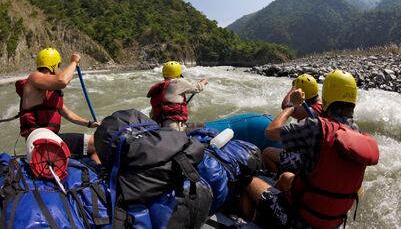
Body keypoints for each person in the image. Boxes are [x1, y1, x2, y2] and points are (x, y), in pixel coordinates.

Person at [240, 70, 379, 228]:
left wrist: (293, 106)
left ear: (327, 96)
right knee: (285, 177)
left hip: (302, 220)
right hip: (332, 222)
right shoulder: (359, 136)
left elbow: (271, 132)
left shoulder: (316, 128)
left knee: (247, 181)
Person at [15, 48, 100, 162]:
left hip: (49, 141)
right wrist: (74, 62)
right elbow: (63, 81)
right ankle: (102, 176)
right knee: (95, 144)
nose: (59, 69)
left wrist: (89, 124)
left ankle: (96, 175)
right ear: (54, 66)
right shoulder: (34, 78)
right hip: (41, 144)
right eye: (58, 66)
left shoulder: (50, 92)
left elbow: (68, 114)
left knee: (93, 144)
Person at [263, 73, 323, 173]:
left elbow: (286, 106)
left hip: (308, 158)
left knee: (267, 153)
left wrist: (293, 87)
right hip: (315, 152)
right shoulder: (321, 105)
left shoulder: (310, 110)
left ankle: (276, 180)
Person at [146, 61, 208, 131]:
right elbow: (197, 88)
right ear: (178, 72)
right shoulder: (178, 82)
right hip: (174, 128)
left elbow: (152, 114)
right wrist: (203, 82)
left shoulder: (159, 88)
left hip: (159, 127)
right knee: (201, 126)